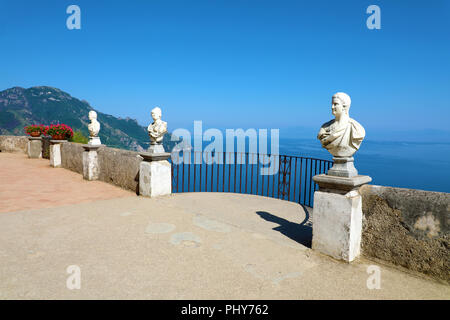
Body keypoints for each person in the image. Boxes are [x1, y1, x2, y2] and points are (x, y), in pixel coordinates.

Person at [317, 92, 365, 157]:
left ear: (344, 106)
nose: (332, 107)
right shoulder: (325, 127)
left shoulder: (356, 128)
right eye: (332, 104)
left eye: (335, 104)